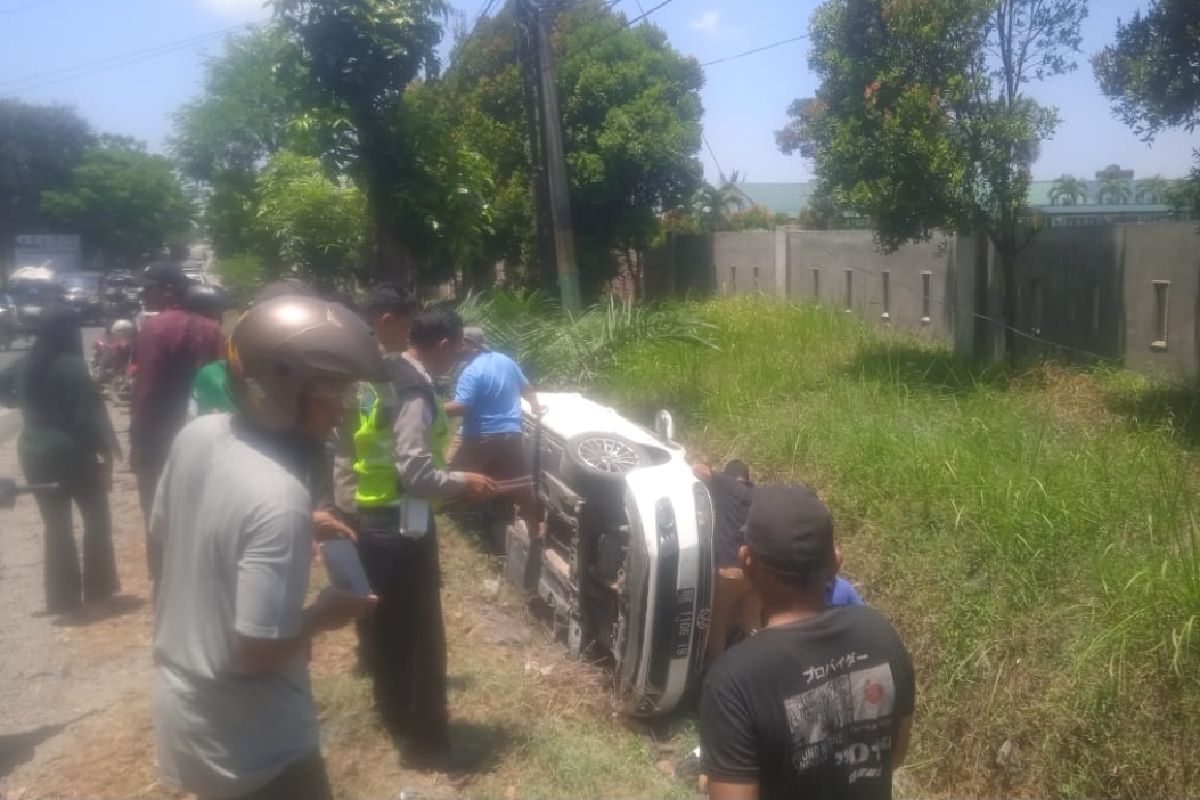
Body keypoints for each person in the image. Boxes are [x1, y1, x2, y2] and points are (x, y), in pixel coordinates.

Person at [151, 295, 383, 800]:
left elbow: (173, 531)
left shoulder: (200, 434)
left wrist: (295, 524)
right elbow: (258, 651)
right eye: (333, 395)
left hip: (186, 706)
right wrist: (328, 611)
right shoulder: (278, 495)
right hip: (254, 740)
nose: (343, 412)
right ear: (277, 392)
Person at [344, 297, 496, 768]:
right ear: (445, 345)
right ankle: (426, 739)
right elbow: (414, 470)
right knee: (423, 636)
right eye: (456, 353)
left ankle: (393, 716)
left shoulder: (381, 375)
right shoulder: (414, 387)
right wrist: (461, 483)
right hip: (404, 526)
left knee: (389, 629)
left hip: (373, 518)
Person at [700, 484, 915, 800]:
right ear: (836, 563)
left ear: (747, 562)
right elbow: (894, 756)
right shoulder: (881, 633)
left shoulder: (733, 681)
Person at [1, 308, 121, 615]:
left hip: (32, 452)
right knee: (95, 520)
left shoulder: (26, 363)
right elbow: (86, 421)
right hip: (72, 454)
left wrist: (24, 403)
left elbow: (3, 387)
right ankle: (98, 589)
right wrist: (103, 456)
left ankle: (62, 599)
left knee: (56, 526)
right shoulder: (73, 367)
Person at [129, 264, 223, 585]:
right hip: (209, 437)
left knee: (158, 511)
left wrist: (137, 443)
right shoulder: (214, 330)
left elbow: (146, 392)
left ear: (167, 291)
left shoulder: (155, 329)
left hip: (161, 440)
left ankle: (165, 583)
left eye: (148, 288)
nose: (143, 295)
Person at [444, 326, 542, 535]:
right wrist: (535, 406)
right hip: (512, 431)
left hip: (481, 433)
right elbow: (527, 387)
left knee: (449, 477)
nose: (454, 349)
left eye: (457, 344)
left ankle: (456, 513)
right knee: (520, 481)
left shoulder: (472, 371)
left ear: (468, 345)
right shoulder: (505, 360)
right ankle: (534, 528)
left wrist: (432, 407)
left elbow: (462, 406)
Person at [693, 459, 758, 662]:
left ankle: (716, 669)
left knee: (718, 621)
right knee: (753, 627)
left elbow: (698, 470)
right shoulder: (758, 494)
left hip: (728, 571)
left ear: (730, 475)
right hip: (755, 574)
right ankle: (758, 668)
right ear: (747, 477)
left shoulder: (723, 484)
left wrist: (702, 461)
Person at [184, 284, 236, 418]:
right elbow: (223, 365)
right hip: (209, 392)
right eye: (219, 308)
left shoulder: (179, 326)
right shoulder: (215, 330)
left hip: (182, 393)